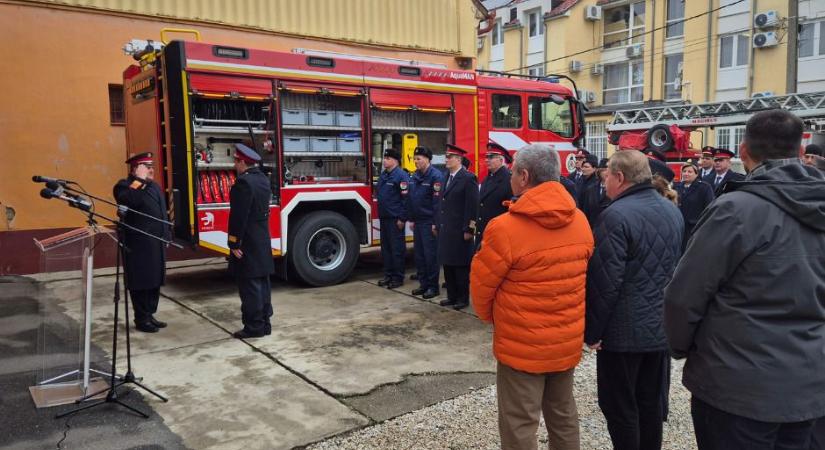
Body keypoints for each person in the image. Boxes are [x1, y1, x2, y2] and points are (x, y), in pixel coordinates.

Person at [664, 109, 825, 450]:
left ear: (743, 152)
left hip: (735, 386)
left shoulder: (734, 211)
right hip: (808, 382)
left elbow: (685, 295)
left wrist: (681, 347)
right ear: (800, 153)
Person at [471, 144, 594, 450]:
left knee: (519, 422)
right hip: (565, 341)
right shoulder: (579, 220)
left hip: (522, 345)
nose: (510, 177)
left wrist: (495, 319)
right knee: (563, 414)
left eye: (513, 172)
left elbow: (481, 290)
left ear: (524, 176)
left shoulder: (505, 228)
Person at [585, 150, 684, 450]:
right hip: (658, 327)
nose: (604, 185)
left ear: (619, 177)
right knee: (650, 405)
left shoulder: (615, 215)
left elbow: (605, 283)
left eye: (606, 178)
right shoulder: (672, 210)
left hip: (623, 333)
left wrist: (593, 332)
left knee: (619, 407)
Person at [113, 152, 170, 333]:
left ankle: (150, 314)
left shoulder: (154, 187)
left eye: (151, 166)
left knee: (154, 280)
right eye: (146, 166)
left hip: (156, 242)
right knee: (141, 281)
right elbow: (131, 200)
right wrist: (140, 180)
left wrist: (166, 234)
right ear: (136, 169)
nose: (151, 169)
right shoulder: (125, 186)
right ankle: (141, 318)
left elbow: (163, 212)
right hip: (138, 245)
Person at [227, 144, 274, 339]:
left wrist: (234, 243)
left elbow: (239, 216)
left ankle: (254, 326)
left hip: (247, 240)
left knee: (249, 285)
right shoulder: (262, 179)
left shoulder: (243, 183)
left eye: (236, 162)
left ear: (242, 162)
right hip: (262, 238)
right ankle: (265, 322)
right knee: (263, 282)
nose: (235, 166)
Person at [435, 144, 478, 310]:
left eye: (450, 157)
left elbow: (472, 207)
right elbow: (441, 203)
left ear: (459, 159)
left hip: (460, 230)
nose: (446, 159)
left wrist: (470, 229)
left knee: (460, 267)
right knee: (448, 265)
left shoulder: (468, 178)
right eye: (446, 156)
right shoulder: (446, 176)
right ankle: (451, 296)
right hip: (447, 229)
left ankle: (462, 298)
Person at [406, 147, 443, 299]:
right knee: (420, 256)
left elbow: (437, 202)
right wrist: (412, 219)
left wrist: (435, 223)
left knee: (430, 256)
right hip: (418, 221)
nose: (416, 161)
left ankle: (433, 287)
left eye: (419, 158)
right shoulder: (415, 176)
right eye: (415, 159)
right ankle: (424, 285)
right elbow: (411, 198)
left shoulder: (436, 176)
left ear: (428, 159)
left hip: (429, 222)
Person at [376, 148, 410, 289]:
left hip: (395, 219)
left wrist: (402, 218)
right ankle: (388, 275)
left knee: (397, 249)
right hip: (384, 217)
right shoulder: (384, 175)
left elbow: (406, 200)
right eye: (384, 158)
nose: (384, 161)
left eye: (388, 158)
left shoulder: (401, 176)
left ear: (395, 160)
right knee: (386, 249)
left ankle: (398, 277)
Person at [476, 142, 513, 250]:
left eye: (491, 157)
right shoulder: (487, 179)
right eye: (486, 157)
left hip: (499, 236)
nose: (487, 160)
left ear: (501, 160)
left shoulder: (509, 180)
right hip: (484, 234)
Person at [672, 160, 715, 251]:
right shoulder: (677, 187)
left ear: (696, 174)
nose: (686, 174)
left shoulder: (704, 188)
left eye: (690, 172)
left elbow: (709, 207)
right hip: (679, 227)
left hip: (694, 227)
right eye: (684, 171)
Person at [579, 158, 611, 226]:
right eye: (604, 170)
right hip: (592, 226)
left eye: (609, 171)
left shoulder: (615, 189)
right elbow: (586, 210)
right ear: (599, 172)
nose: (607, 173)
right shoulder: (591, 189)